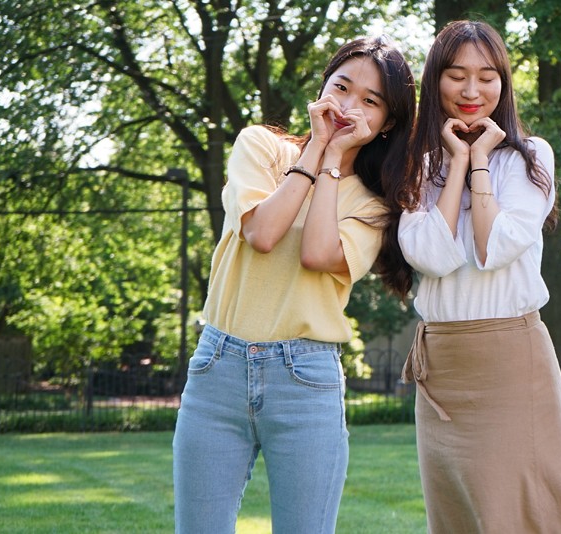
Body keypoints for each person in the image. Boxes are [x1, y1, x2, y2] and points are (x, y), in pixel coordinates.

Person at [172, 36, 416, 534]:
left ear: (388, 122)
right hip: (219, 366)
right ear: (321, 88)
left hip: (306, 379)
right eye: (341, 87)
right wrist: (317, 150)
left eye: (370, 101)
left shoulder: (375, 205)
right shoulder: (260, 146)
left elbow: (316, 253)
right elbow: (262, 232)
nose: (349, 106)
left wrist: (331, 159)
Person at [397, 19, 561, 534]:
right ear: (435, 79)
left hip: (511, 356)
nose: (471, 91)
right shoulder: (418, 166)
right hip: (440, 365)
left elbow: (496, 246)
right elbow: (429, 255)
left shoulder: (532, 158)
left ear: (504, 83)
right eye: (456, 75)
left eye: (487, 76)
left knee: (533, 507)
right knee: (457, 515)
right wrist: (455, 161)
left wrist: (480, 162)